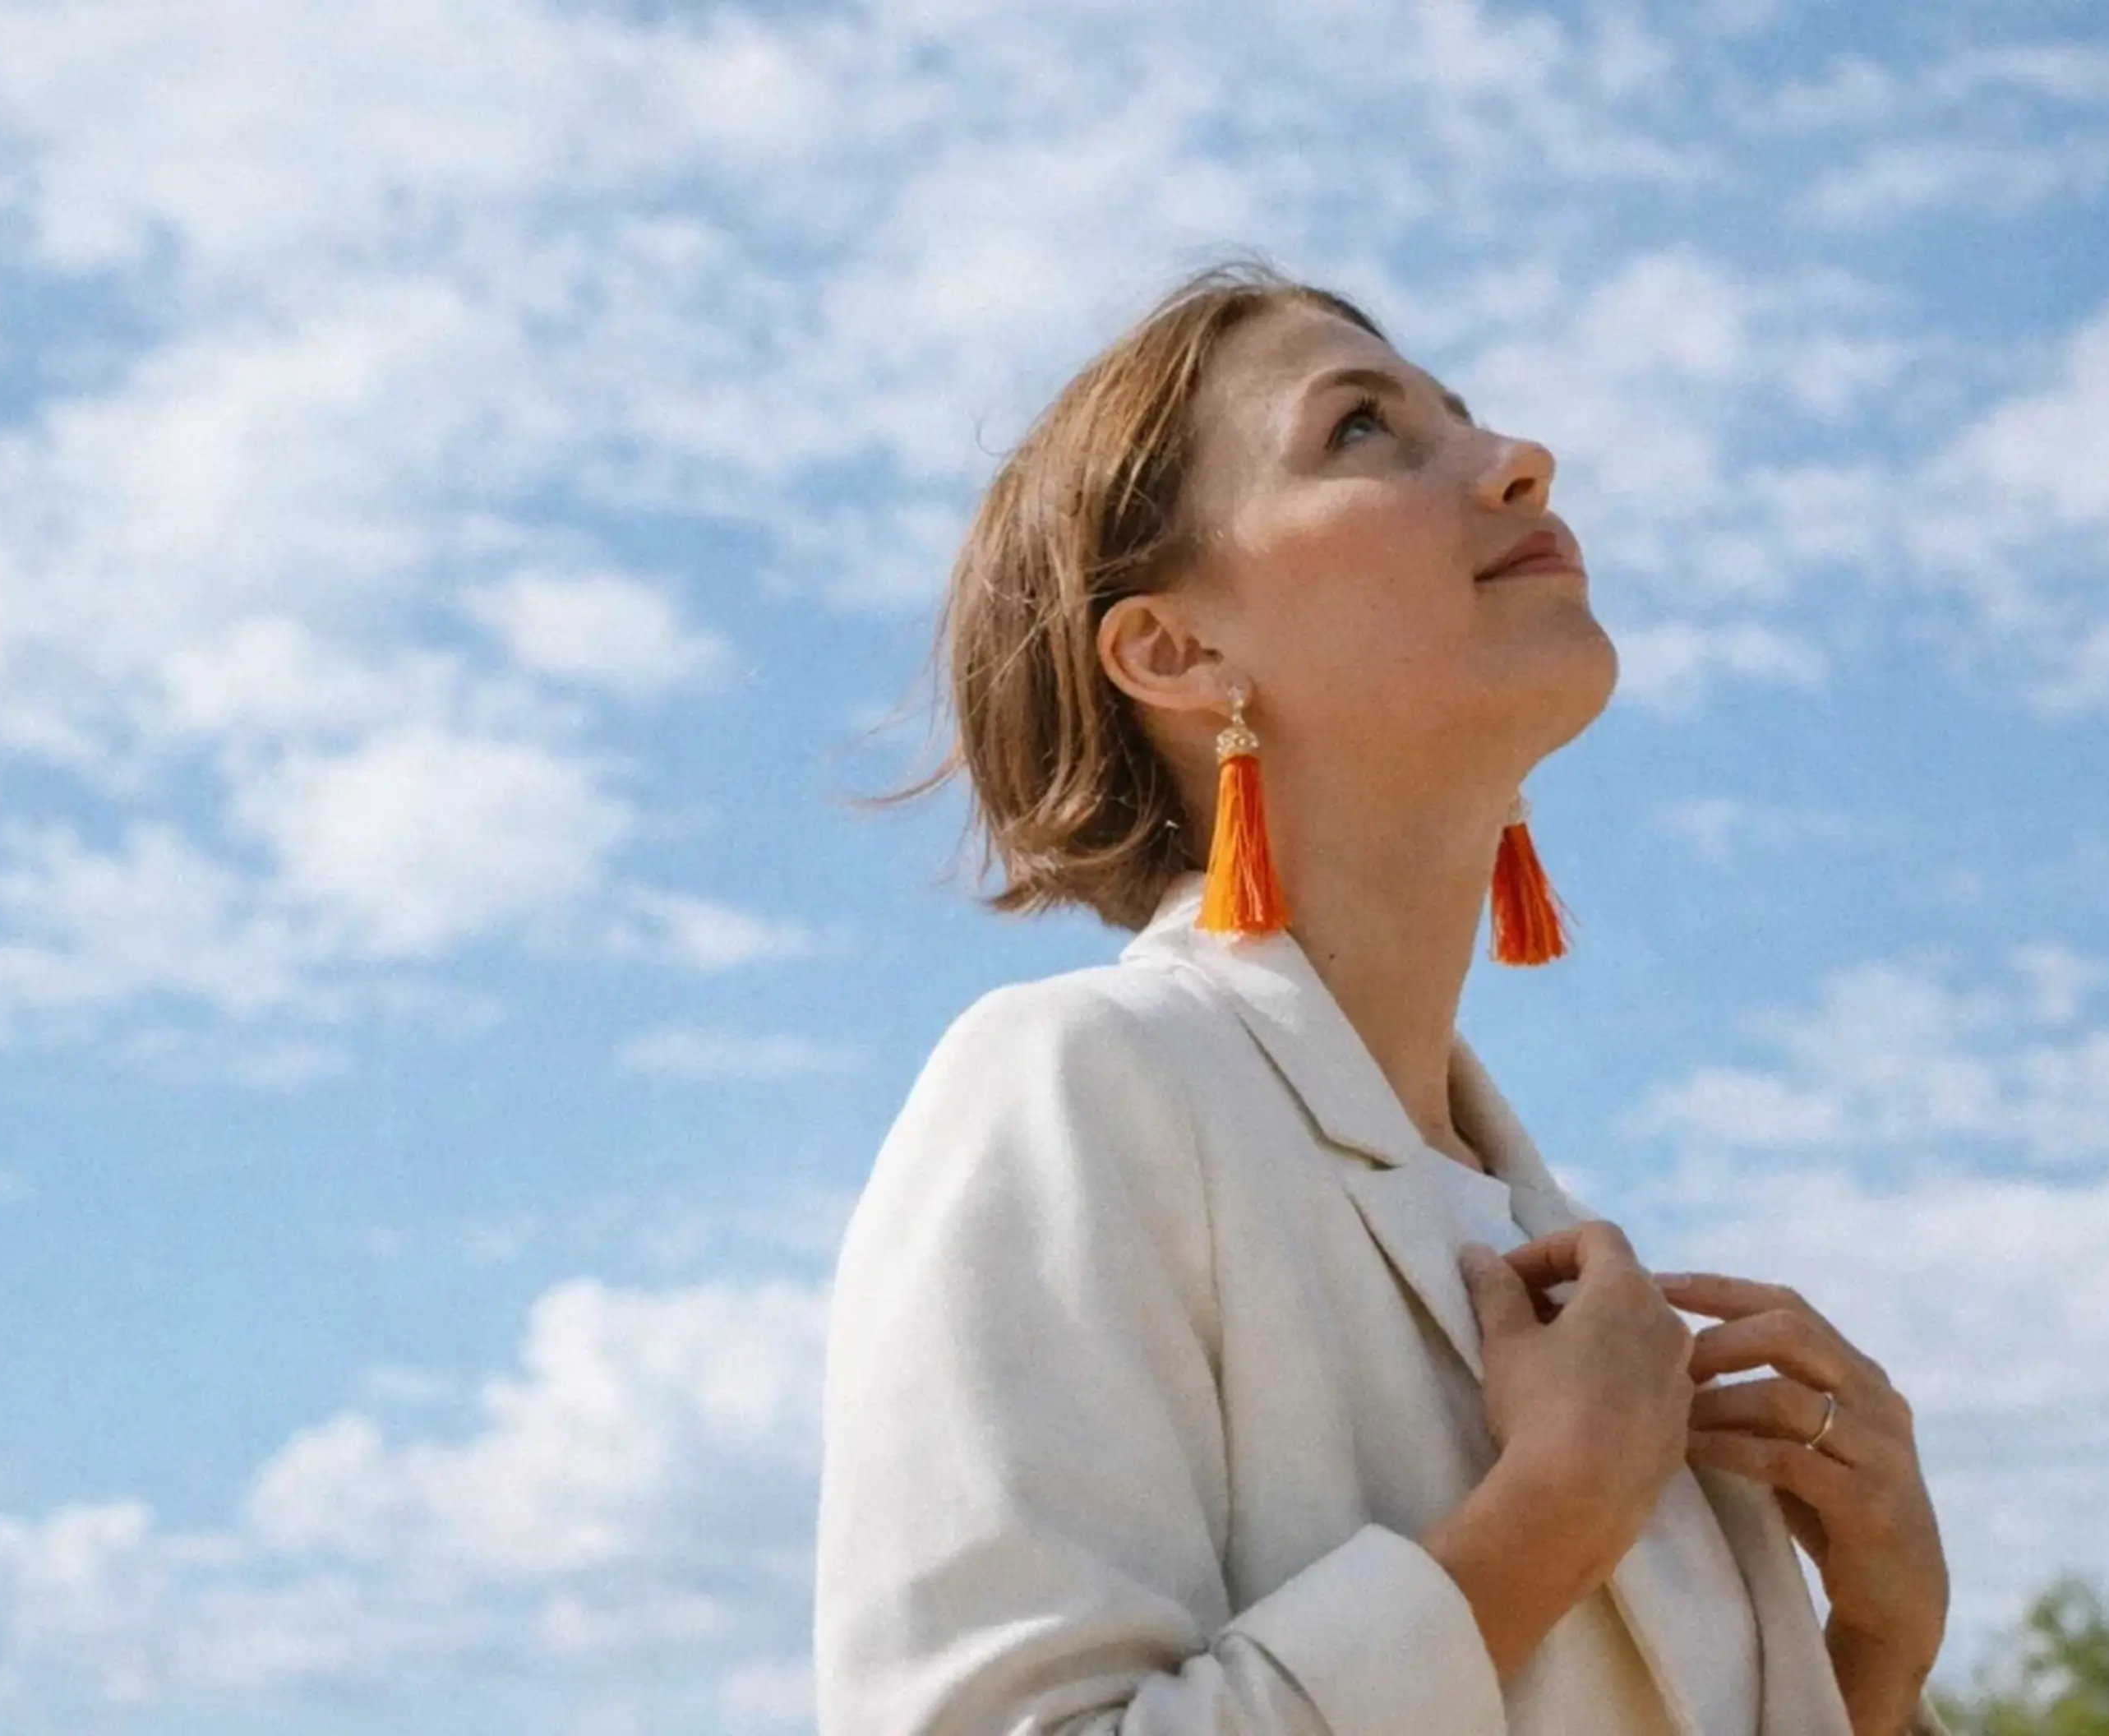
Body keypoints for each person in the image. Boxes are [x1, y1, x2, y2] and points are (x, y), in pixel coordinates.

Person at [817, 259, 1950, 1734]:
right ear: (1177, 649)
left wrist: (1876, 1663)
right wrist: (1545, 1522)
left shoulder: (1564, 1270)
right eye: (1362, 430)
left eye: (1468, 419)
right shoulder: (1075, 1082)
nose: (1517, 462)